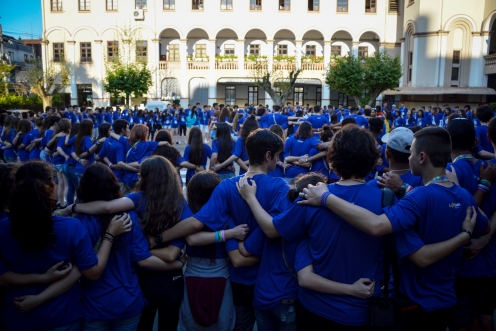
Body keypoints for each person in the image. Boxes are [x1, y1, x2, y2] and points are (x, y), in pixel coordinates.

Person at [298, 126, 489, 330]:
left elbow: (378, 226)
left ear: (422, 157)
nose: (408, 158)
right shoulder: (462, 195)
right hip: (446, 296)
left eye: (412, 153)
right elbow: (484, 227)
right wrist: (465, 233)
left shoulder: (417, 198)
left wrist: (326, 197)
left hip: (415, 301)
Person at [151, 129, 291, 331]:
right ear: (268, 155)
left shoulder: (226, 186)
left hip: (238, 279)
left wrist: (158, 239)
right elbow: (278, 229)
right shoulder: (279, 186)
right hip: (269, 277)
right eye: (277, 156)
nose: (278, 160)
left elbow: (195, 224)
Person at [62, 156, 192, 331]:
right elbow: (162, 255)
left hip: (105, 299)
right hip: (148, 291)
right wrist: (179, 262)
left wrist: (72, 208)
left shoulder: (135, 201)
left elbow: (108, 208)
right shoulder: (175, 205)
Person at [0, 161, 132, 331]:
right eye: (54, 181)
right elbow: (91, 271)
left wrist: (41, 279)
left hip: (18, 317)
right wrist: (109, 235)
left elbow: (3, 277)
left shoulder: (3, 228)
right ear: (50, 188)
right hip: (62, 315)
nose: (56, 184)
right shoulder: (71, 227)